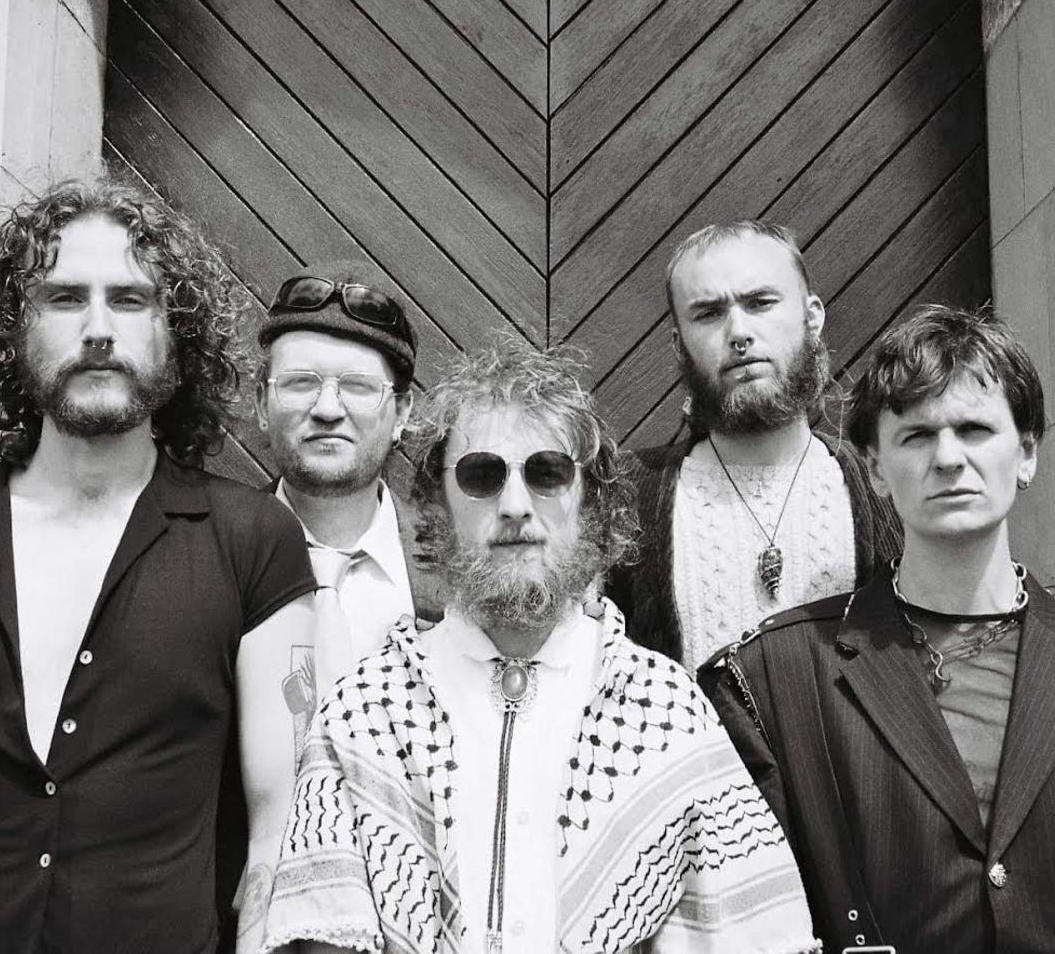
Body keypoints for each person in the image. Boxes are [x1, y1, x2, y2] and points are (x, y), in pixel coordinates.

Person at [257, 333, 818, 954]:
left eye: (548, 473)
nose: (515, 505)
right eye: (481, 476)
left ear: (591, 504)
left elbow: (754, 937)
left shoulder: (665, 708)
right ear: (438, 505)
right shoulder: (366, 709)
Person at [0, 179, 316, 953]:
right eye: (65, 298)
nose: (98, 329)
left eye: (130, 301)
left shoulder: (252, 539)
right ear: (16, 328)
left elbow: (280, 825)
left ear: (177, 334)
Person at [699, 305, 1054, 952]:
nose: (948, 458)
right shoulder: (772, 679)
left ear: (1026, 452)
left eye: (975, 429)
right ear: (874, 468)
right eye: (916, 436)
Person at [609, 219, 901, 671]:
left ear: (812, 317)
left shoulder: (890, 485)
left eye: (760, 303)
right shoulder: (625, 497)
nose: (738, 332)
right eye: (709, 313)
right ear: (679, 345)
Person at [255, 260, 443, 708]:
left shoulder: (457, 571)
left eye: (358, 386)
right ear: (261, 404)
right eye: (300, 383)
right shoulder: (207, 559)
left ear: (401, 414)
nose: (327, 409)